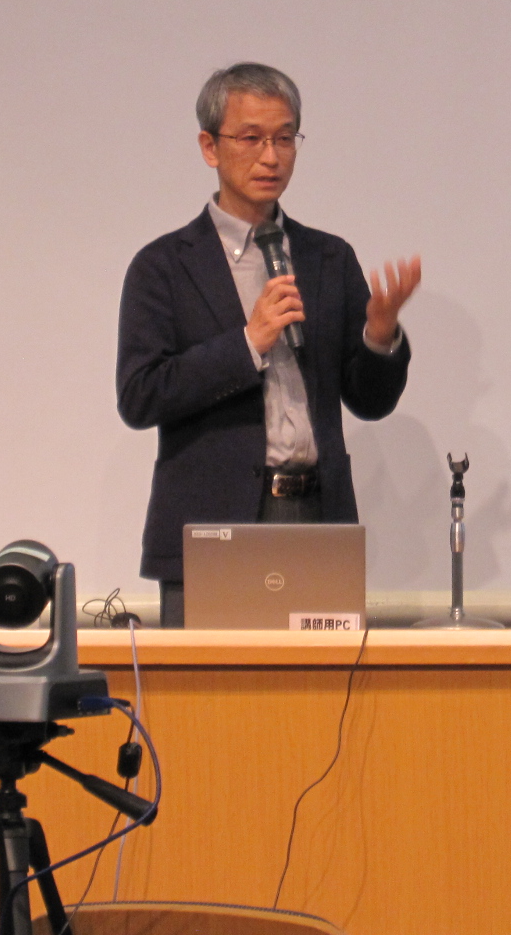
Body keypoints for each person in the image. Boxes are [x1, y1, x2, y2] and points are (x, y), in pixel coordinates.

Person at [116, 63, 420, 627]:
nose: (271, 157)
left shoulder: (328, 258)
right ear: (210, 147)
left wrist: (380, 336)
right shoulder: (164, 266)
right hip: (213, 527)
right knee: (211, 685)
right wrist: (247, 344)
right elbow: (139, 396)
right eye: (251, 138)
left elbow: (369, 400)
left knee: (324, 685)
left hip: (317, 516)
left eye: (284, 138)